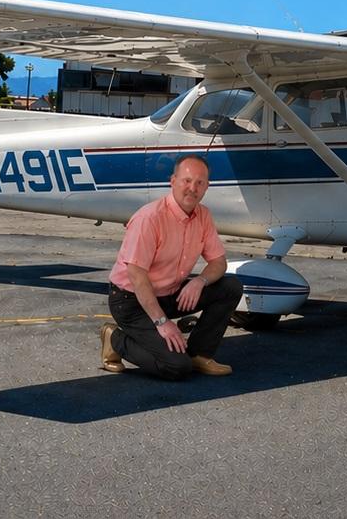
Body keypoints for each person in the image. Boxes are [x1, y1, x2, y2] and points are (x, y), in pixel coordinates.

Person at [99, 154, 244, 378]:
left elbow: (218, 262)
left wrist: (199, 281)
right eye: (186, 181)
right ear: (172, 181)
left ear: (207, 187)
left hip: (169, 293)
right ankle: (115, 339)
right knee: (176, 366)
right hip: (131, 301)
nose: (192, 188)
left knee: (230, 286)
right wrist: (163, 323)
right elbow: (137, 276)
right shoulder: (149, 218)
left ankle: (199, 354)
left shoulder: (203, 215)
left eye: (199, 183)